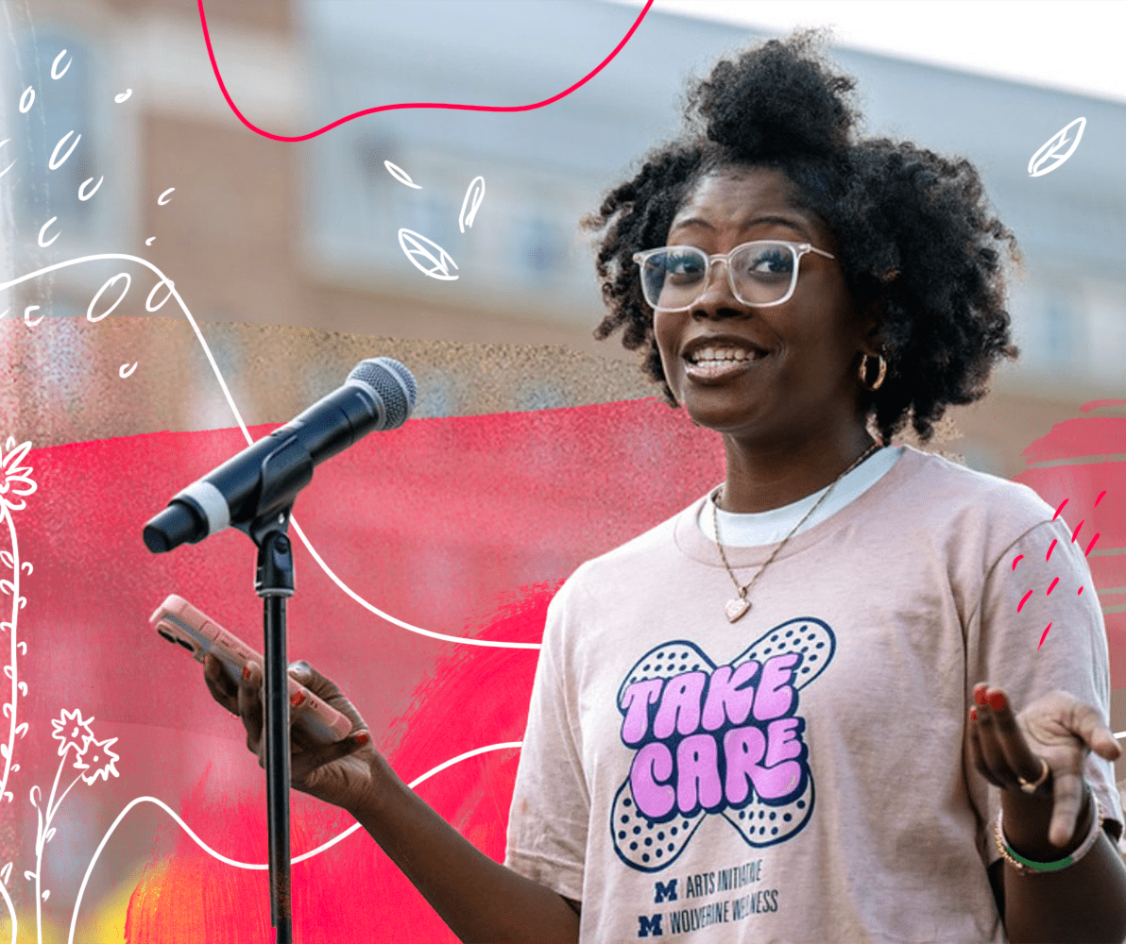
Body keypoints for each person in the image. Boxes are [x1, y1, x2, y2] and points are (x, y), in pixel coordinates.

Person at [203, 33, 1126, 943]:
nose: (710, 297)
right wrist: (373, 793)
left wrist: (1048, 835)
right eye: (682, 266)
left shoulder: (992, 542)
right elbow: (569, 927)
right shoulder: (597, 602)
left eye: (769, 262)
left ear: (874, 310)